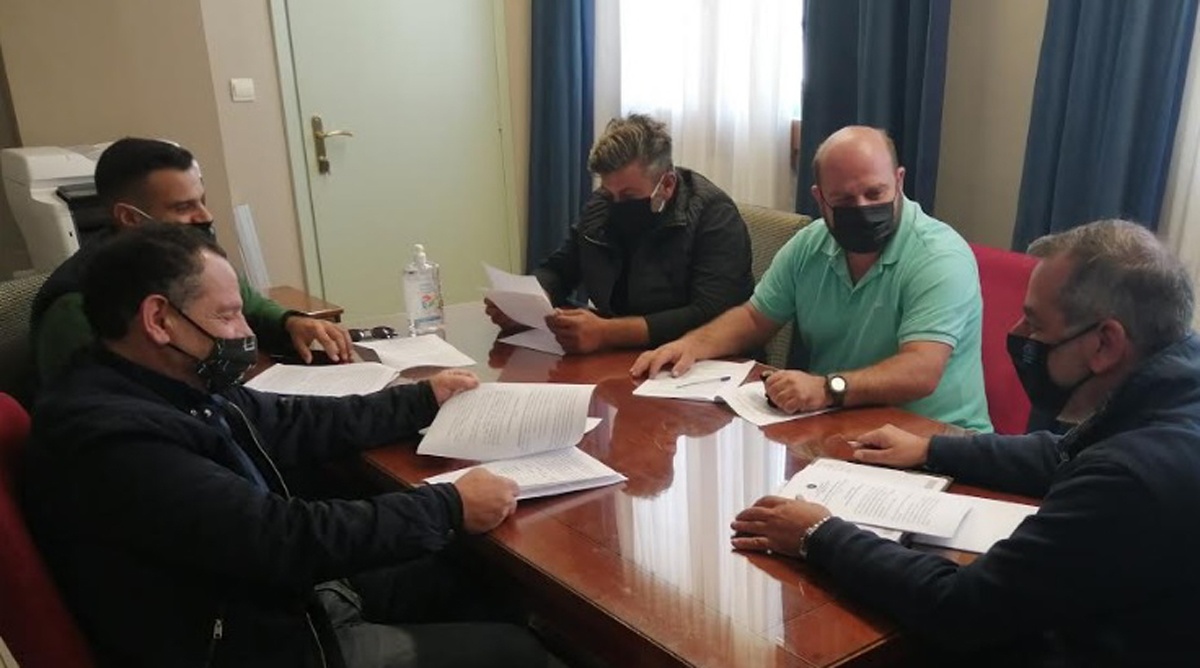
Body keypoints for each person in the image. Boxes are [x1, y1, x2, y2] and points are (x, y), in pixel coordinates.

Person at [23, 223, 552, 667]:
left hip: (271, 598)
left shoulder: (167, 384)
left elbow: (291, 420)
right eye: (226, 315)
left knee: (473, 578)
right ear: (159, 320)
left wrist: (420, 400)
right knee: (517, 651)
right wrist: (449, 506)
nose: (244, 332)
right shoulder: (115, 441)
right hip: (254, 642)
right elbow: (284, 539)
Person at [731, 220, 1200, 665]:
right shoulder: (1169, 392)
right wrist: (930, 450)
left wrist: (819, 534)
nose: (1016, 335)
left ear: (1106, 344)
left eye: (1035, 325)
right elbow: (1063, 455)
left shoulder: (1131, 476)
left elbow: (962, 607)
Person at [633, 125, 991, 432]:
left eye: (875, 193)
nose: (862, 208)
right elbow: (754, 318)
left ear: (899, 181)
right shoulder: (810, 245)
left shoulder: (938, 257)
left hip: (938, 441)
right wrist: (691, 346)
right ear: (820, 199)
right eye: (844, 199)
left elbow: (921, 370)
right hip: (842, 426)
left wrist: (827, 389)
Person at [30, 137, 353, 385]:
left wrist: (290, 322)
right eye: (183, 207)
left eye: (203, 201)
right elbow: (103, 407)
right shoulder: (77, 308)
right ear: (130, 217)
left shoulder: (189, 257)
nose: (205, 216)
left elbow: (247, 302)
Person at [487, 113, 754, 354]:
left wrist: (608, 333)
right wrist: (529, 303)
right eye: (608, 193)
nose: (615, 204)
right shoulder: (602, 206)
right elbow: (560, 269)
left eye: (628, 195)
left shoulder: (714, 216)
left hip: (705, 365)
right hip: (621, 358)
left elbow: (712, 314)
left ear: (667, 184)